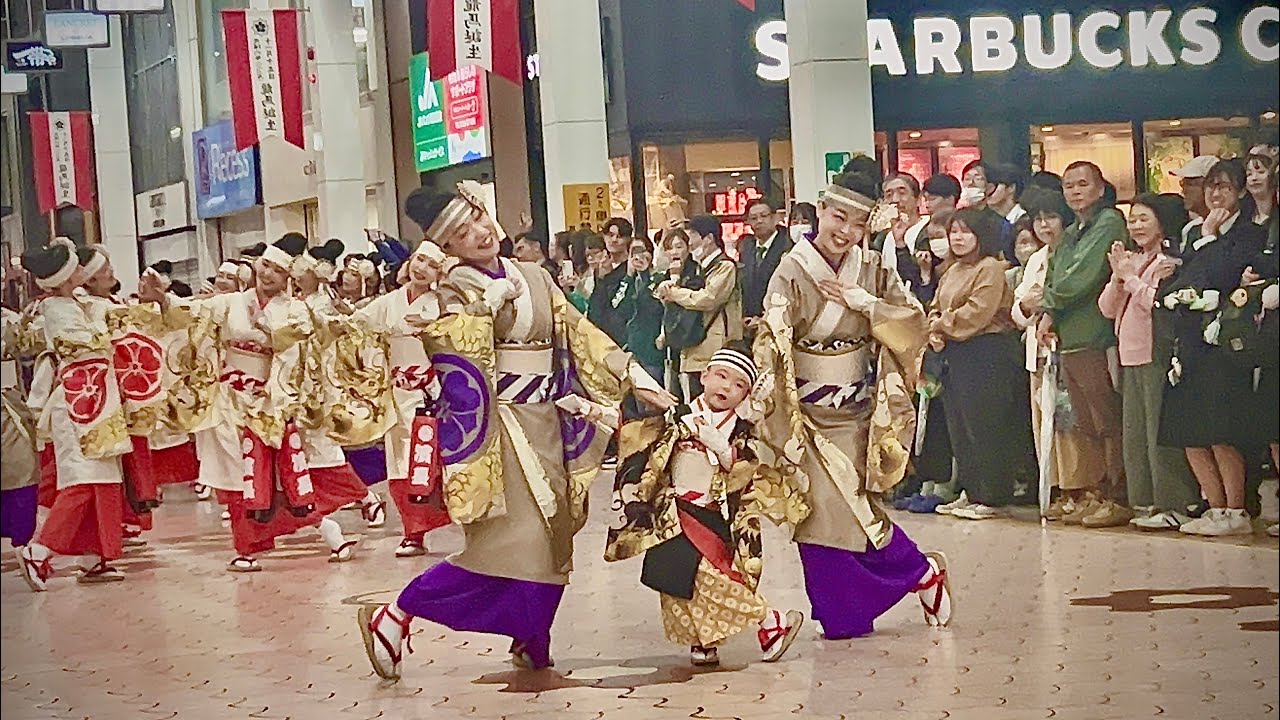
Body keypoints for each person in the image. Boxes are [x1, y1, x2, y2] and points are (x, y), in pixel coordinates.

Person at [358, 184, 674, 680]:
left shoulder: (533, 275)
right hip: (498, 428)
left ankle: (531, 638)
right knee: (510, 543)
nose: (478, 235)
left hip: (548, 417)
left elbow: (580, 333)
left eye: (479, 221)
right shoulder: (452, 292)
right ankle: (400, 612)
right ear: (450, 248)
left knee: (555, 539)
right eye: (462, 233)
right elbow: (449, 350)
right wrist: (485, 307)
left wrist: (634, 376)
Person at [752, 167, 953, 639]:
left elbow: (913, 323)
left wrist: (866, 304)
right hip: (805, 413)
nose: (844, 231)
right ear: (819, 210)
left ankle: (894, 584)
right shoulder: (792, 268)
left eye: (857, 224)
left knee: (842, 509)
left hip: (857, 410)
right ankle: (902, 581)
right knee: (818, 514)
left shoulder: (874, 268)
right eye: (837, 217)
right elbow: (774, 337)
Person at [140, 234, 369, 571]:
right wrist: (164, 300)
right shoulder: (229, 303)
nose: (268, 274)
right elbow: (191, 313)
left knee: (282, 478)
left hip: (269, 402)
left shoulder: (295, 310)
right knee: (235, 479)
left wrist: (272, 345)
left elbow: (300, 346)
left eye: (278, 270)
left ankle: (330, 531)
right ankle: (245, 548)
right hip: (228, 399)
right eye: (265, 265)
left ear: (288, 278)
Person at [605, 346, 804, 667]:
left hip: (710, 513)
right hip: (671, 510)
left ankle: (770, 620)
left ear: (747, 395)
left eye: (738, 384)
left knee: (711, 577)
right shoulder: (677, 414)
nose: (726, 387)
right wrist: (593, 413)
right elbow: (636, 435)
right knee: (674, 581)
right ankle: (703, 639)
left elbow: (746, 468)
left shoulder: (742, 431)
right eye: (721, 376)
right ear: (704, 375)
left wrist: (722, 448)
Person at [1159, 159, 1268, 536]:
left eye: (1223, 186)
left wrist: (1209, 238)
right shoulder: (1191, 233)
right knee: (1189, 429)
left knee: (1221, 427)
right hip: (1189, 338)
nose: (1215, 194)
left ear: (1240, 191)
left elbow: (1220, 275)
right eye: (1210, 187)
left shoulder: (1250, 233)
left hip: (1224, 342)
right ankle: (1214, 506)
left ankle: (1236, 509)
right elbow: (1180, 279)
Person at [16, 239, 130, 590]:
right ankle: (40, 549)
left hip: (94, 400)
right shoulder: (55, 309)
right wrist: (110, 332)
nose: (84, 268)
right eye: (77, 266)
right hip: (76, 403)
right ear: (66, 276)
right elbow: (83, 346)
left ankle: (93, 556)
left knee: (101, 479)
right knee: (82, 480)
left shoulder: (72, 302)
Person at [1097, 194, 1200, 530]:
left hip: (1157, 353)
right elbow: (1107, 308)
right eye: (1132, 220)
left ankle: (1174, 502)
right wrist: (1117, 276)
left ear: (1161, 223)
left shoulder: (1169, 262)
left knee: (1159, 433)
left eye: (1144, 219)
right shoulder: (1133, 260)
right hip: (1129, 356)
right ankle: (1144, 501)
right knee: (1136, 433)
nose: (1136, 226)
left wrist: (1131, 278)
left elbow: (1155, 303)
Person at [1036, 161, 1129, 526]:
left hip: (1096, 335)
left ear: (1101, 188)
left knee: (1108, 420)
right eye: (1068, 185)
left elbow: (1084, 276)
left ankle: (1120, 496)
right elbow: (1055, 272)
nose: (1075, 191)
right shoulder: (1073, 231)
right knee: (1085, 423)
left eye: (1082, 184)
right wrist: (1049, 313)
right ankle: (1098, 491)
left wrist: (1048, 305)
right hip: (1069, 338)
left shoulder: (1109, 222)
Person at [928, 209, 1035, 519]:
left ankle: (992, 496)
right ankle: (971, 490)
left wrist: (940, 326)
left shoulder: (990, 268)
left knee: (985, 424)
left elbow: (978, 312)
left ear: (980, 236)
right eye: (954, 232)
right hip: (956, 352)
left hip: (987, 352)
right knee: (959, 425)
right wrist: (934, 325)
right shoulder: (951, 270)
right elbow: (935, 306)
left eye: (965, 232)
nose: (958, 238)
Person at [1010, 188, 1097, 521]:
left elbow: (1057, 298)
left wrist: (1039, 302)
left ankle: (1083, 489)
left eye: (1051, 218)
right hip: (1036, 351)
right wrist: (1028, 305)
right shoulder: (1036, 258)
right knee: (1045, 425)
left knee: (1070, 423)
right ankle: (1058, 488)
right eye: (1038, 220)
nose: (1044, 226)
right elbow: (1018, 309)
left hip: (1063, 349)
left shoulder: (1073, 253)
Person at [656, 216, 742, 400]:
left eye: (692, 235)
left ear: (708, 238)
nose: (690, 242)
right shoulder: (697, 268)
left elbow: (708, 298)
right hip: (694, 349)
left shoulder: (724, 266)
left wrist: (675, 294)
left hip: (715, 350)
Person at [739, 197, 792, 333]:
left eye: (764, 216)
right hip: (749, 322)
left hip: (778, 321)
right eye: (753, 218)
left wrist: (764, 317)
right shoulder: (746, 247)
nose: (759, 221)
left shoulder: (788, 245)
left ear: (775, 218)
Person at [873, 174, 931, 298]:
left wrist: (900, 245)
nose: (895, 200)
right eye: (889, 195)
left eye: (902, 193)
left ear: (918, 199)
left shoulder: (929, 230)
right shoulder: (883, 237)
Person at [620, 235, 665, 385]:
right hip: (631, 350)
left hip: (651, 350)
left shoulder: (660, 278)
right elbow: (618, 306)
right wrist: (628, 276)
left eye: (642, 251)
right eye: (634, 252)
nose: (638, 256)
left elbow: (652, 306)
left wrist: (645, 274)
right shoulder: (628, 280)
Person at [587, 218, 635, 347]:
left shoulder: (631, 267)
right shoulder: (601, 267)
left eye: (619, 236)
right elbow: (595, 307)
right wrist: (602, 278)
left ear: (628, 239)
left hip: (623, 334)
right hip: (601, 335)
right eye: (610, 235)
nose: (614, 240)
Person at [1171, 155, 1218, 252]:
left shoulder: (1232, 227)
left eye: (1190, 184)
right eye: (1182, 184)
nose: (1183, 191)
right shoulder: (1190, 229)